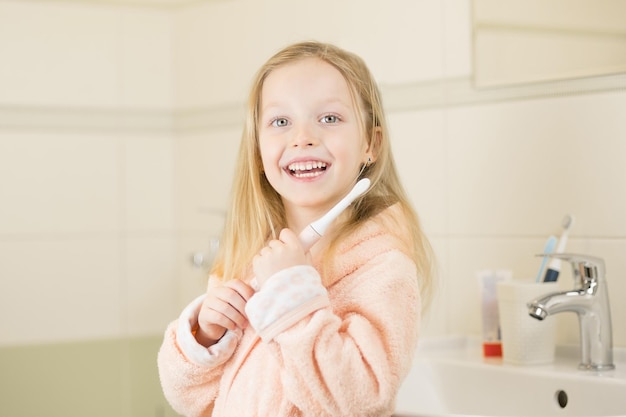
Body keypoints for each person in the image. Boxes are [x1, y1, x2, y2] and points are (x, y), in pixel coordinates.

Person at [157, 40, 434, 417]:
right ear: (258, 151)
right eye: (281, 121)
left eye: (330, 118)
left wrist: (290, 294)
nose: (302, 137)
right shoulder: (248, 258)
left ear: (371, 143)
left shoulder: (382, 266)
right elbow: (190, 400)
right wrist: (205, 336)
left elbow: (359, 396)